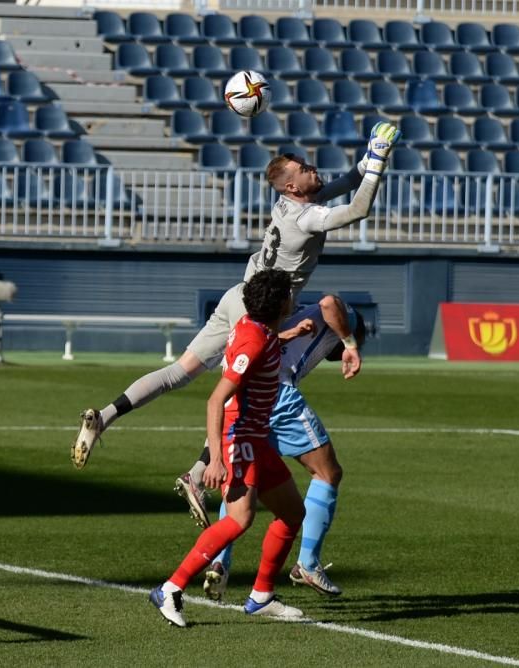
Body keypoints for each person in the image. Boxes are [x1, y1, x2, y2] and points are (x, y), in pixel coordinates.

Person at [70, 123, 400, 467]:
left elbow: (345, 184)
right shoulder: (307, 217)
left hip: (238, 294)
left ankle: (105, 415)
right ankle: (199, 474)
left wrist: (372, 158)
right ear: (291, 185)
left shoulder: (288, 203)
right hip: (259, 310)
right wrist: (375, 162)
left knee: (178, 372)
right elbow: (357, 209)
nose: (312, 169)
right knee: (239, 393)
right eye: (304, 169)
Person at [176, 295, 366, 600]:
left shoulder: (256, 322)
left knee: (244, 479)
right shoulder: (344, 316)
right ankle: (308, 562)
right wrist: (351, 343)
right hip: (277, 394)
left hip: (247, 398)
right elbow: (331, 303)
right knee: (328, 472)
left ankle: (220, 562)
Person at [149, 268, 306, 627]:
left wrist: (288, 334)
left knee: (293, 512)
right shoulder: (254, 339)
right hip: (241, 438)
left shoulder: (256, 328)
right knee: (239, 519)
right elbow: (216, 399)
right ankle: (170, 589)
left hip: (257, 438)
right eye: (289, 294)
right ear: (282, 302)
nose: (293, 299)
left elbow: (259, 346)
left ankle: (261, 596)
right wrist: (216, 459)